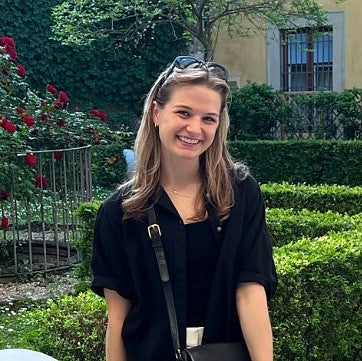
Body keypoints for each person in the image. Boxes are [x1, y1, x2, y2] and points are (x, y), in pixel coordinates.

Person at [91, 56, 277, 361]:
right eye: (183, 112)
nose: (195, 128)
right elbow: (118, 316)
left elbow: (250, 291)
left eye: (208, 118)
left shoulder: (241, 193)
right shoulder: (119, 211)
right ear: (156, 113)